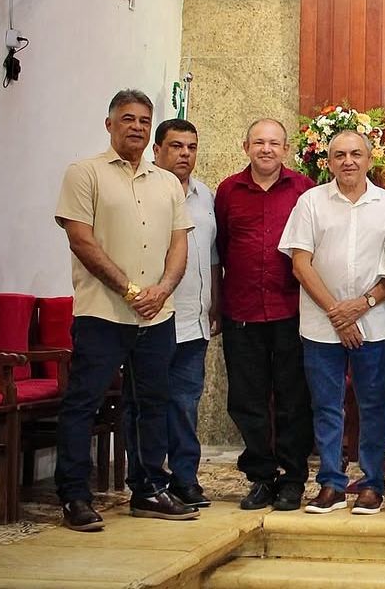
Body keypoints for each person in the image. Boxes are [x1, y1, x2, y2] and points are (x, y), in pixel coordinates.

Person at [53, 89, 196, 531]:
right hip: (102, 313)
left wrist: (162, 289)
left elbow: (179, 244)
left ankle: (149, 488)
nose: (136, 126)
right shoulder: (84, 173)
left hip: (158, 314)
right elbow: (81, 239)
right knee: (85, 404)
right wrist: (131, 288)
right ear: (109, 123)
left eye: (144, 120)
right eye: (127, 118)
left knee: (152, 403)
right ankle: (74, 496)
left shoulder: (167, 183)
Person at [279, 130, 385, 515]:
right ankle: (331, 482)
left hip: (374, 325)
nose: (348, 161)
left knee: (372, 405)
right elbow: (300, 263)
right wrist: (337, 312)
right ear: (328, 162)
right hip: (320, 327)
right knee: (326, 406)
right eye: (339, 155)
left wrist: (360, 307)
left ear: (369, 159)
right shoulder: (311, 202)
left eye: (356, 154)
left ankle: (371, 484)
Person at [215, 118, 314, 511]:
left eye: (274, 143)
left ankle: (292, 479)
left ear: (285, 149)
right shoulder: (228, 191)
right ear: (246, 147)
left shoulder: (303, 190)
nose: (267, 149)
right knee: (247, 399)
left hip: (292, 310)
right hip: (242, 311)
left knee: (293, 398)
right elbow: (221, 247)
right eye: (259, 142)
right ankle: (260, 476)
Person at [149, 118, 221, 509]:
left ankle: (185, 478)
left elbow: (211, 257)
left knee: (185, 401)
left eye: (191, 147)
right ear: (156, 150)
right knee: (149, 402)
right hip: (153, 317)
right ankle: (149, 478)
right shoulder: (143, 193)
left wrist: (217, 303)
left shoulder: (205, 196)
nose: (185, 154)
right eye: (176, 146)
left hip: (195, 318)